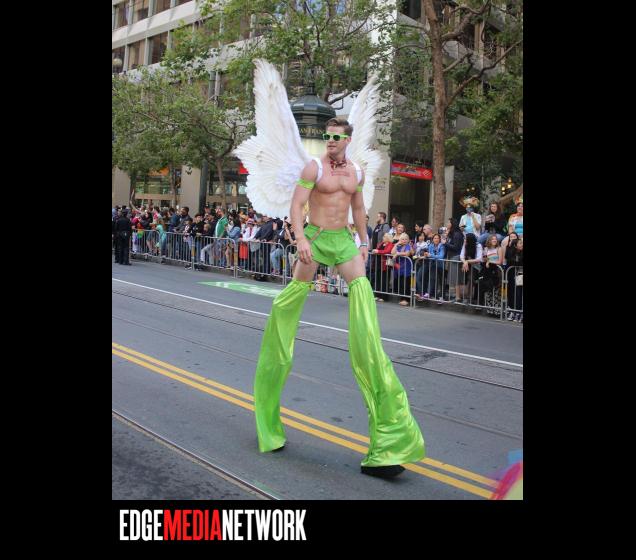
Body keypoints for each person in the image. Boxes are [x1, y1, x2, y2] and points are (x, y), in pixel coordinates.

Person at [253, 116, 424, 478]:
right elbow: (296, 206)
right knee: (286, 308)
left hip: (344, 242)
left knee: (365, 318)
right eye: (327, 136)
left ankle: (388, 444)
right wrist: (300, 239)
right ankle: (268, 423)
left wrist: (364, 242)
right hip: (315, 239)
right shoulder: (313, 167)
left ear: (347, 140)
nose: (329, 140)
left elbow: (358, 210)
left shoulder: (356, 172)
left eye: (335, 136)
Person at [416, 233, 446, 302]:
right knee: (431, 278)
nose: (436, 239)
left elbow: (441, 256)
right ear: (432, 239)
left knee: (441, 282)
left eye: (437, 238)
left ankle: (441, 297)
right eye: (435, 238)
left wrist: (430, 255)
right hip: (432, 265)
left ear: (439, 239)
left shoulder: (442, 246)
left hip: (440, 266)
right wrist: (425, 255)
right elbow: (428, 254)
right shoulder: (431, 246)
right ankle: (427, 294)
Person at [480, 234, 504, 315]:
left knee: (496, 292)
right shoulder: (486, 249)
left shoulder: (499, 249)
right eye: (492, 239)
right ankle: (490, 310)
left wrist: (490, 262)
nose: (494, 240)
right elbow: (483, 259)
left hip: (496, 271)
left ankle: (497, 311)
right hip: (488, 272)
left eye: (495, 239)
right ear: (489, 240)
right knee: (488, 290)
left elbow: (500, 262)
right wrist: (485, 260)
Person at [458, 232, 483, 304]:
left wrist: (467, 261)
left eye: (465, 238)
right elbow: (461, 256)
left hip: (476, 266)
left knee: (471, 279)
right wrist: (465, 262)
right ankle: (466, 296)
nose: (464, 240)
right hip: (466, 265)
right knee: (466, 279)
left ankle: (469, 297)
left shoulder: (478, 246)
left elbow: (479, 259)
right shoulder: (465, 244)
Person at [391, 232, 414, 306]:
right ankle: (402, 298)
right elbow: (392, 252)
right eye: (403, 239)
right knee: (401, 283)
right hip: (400, 268)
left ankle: (406, 299)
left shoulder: (408, 246)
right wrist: (396, 244)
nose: (404, 240)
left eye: (406, 239)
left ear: (408, 240)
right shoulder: (399, 246)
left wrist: (397, 254)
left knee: (406, 283)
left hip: (407, 268)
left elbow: (407, 253)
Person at [370, 232, 394, 302]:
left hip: (385, 265)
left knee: (384, 280)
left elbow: (387, 251)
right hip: (378, 264)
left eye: (384, 237)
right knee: (378, 280)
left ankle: (384, 297)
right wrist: (374, 250)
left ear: (388, 238)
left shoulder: (390, 244)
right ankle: (378, 295)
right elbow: (377, 249)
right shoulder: (381, 243)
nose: (383, 238)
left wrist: (378, 251)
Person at [504, 237, 523, 322]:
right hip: (512, 277)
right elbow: (511, 261)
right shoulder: (511, 252)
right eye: (520, 243)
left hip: (520, 276)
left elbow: (519, 262)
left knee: (519, 295)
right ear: (515, 245)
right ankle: (513, 311)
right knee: (512, 294)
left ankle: (519, 313)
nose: (522, 245)